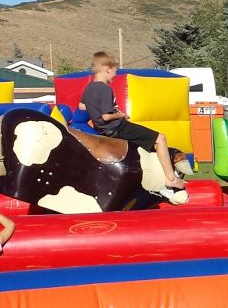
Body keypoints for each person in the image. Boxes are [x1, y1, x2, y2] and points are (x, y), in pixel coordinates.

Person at [80, 51, 188, 204]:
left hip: (103, 130)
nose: (115, 75)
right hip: (117, 127)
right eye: (115, 71)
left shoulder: (89, 88)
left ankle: (156, 182)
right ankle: (171, 178)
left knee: (144, 150)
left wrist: (94, 110)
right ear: (107, 68)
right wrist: (121, 115)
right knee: (160, 139)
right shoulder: (104, 88)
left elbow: (82, 106)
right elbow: (106, 116)